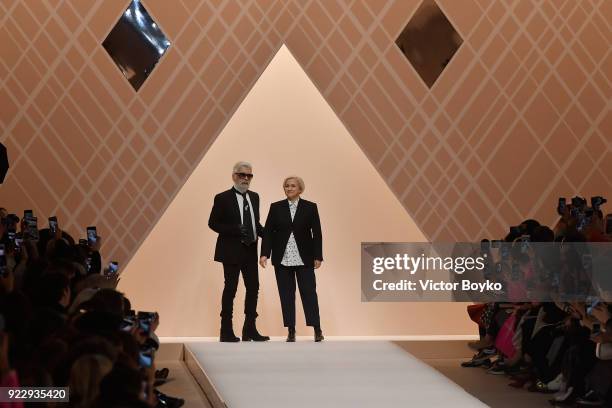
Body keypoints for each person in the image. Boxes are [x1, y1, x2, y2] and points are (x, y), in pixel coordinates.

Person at [208, 162, 269, 342]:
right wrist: (234, 229)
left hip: (250, 249)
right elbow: (213, 223)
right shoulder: (222, 198)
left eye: (249, 176)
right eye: (242, 175)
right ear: (234, 176)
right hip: (231, 250)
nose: (245, 178)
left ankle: (249, 329)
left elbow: (255, 224)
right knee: (231, 288)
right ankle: (225, 331)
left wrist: (271, 235)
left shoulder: (255, 197)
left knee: (253, 288)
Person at [260, 176, 324, 342]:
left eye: (293, 186)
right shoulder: (276, 207)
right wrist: (264, 253)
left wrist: (318, 256)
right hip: (283, 258)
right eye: (286, 186)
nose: (289, 188)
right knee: (286, 295)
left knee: (309, 293)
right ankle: (291, 330)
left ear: (300, 189)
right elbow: (268, 232)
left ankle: (317, 328)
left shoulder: (310, 207)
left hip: (305, 258)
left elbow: (317, 233)